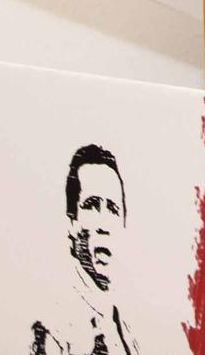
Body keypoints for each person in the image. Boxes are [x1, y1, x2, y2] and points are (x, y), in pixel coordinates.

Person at [30, 144, 139, 355]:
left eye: (113, 209)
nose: (103, 224)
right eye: (91, 205)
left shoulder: (126, 331)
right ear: (72, 222)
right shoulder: (54, 328)